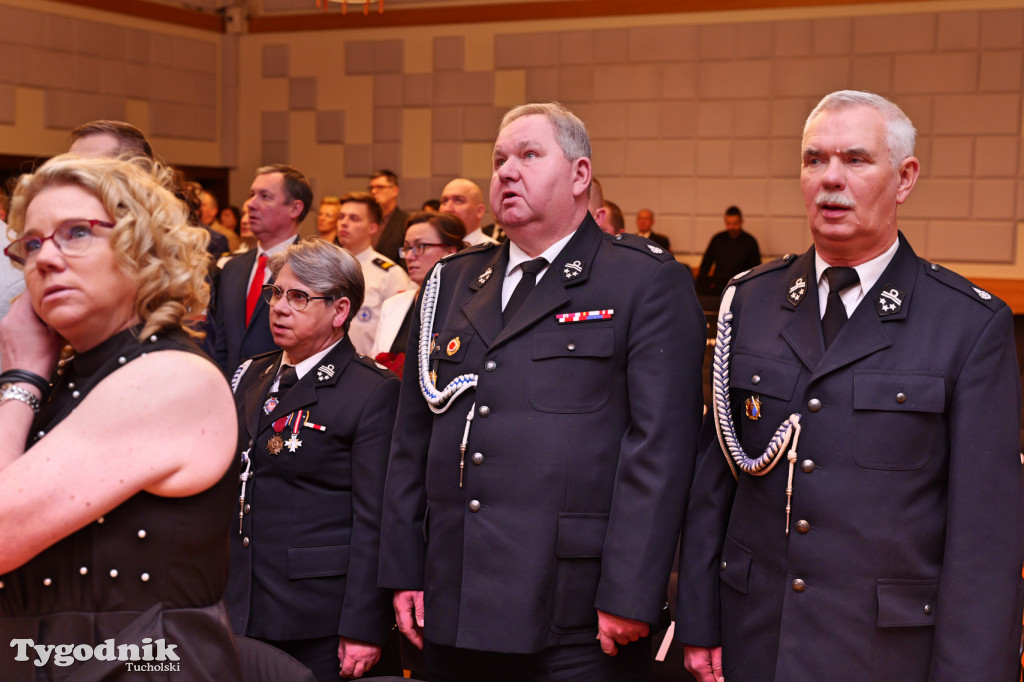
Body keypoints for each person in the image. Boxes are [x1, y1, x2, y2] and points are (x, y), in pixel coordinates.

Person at [676, 90, 1024, 682]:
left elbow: (985, 536)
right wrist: (699, 620)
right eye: (815, 160)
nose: (830, 179)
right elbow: (717, 481)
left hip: (884, 653)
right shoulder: (751, 300)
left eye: (856, 160)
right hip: (755, 635)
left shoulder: (965, 322)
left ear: (905, 178)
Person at [379, 102, 706, 682]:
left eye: (529, 155)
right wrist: (404, 566)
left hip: (573, 605)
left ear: (580, 176)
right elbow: (413, 437)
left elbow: (659, 451)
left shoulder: (643, 280)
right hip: (452, 589)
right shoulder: (454, 280)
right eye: (500, 159)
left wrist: (631, 591)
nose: (507, 171)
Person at [0, 154, 242, 680]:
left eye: (77, 232)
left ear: (143, 247)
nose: (44, 259)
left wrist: (18, 379)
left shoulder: (170, 378)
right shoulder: (65, 378)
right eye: (33, 243)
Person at [227, 238, 400, 682]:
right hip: (242, 597)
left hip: (316, 612)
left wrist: (364, 625)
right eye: (276, 294)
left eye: (299, 297)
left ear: (340, 311)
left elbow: (375, 519)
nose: (280, 308)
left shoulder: (371, 391)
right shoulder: (253, 372)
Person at [213, 164, 310, 375]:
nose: (250, 204)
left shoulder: (311, 269)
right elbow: (221, 343)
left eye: (265, 197)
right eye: (251, 195)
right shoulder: (233, 267)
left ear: (295, 208)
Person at [370, 211, 467, 376]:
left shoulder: (465, 307)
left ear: (450, 251)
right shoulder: (393, 305)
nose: (409, 256)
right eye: (407, 247)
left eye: (420, 246)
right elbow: (375, 364)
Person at [335, 191, 410, 356]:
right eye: (341, 217)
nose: (344, 223)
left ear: (372, 228)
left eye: (354, 218)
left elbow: (395, 335)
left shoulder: (390, 274)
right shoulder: (325, 267)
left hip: (366, 368)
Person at [696, 205, 761, 297]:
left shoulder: (750, 241)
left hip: (741, 288)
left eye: (735, 224)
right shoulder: (717, 239)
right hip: (719, 289)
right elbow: (706, 265)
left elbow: (756, 268)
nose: (731, 227)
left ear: (741, 222)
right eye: (728, 223)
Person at [368, 170, 408, 267]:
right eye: (371, 188)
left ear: (394, 191)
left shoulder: (405, 222)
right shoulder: (367, 221)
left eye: (380, 187)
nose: (373, 191)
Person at [440, 178, 496, 246]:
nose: (447, 208)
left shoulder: (494, 251)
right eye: (445, 201)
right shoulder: (432, 248)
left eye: (459, 200)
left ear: (479, 211)